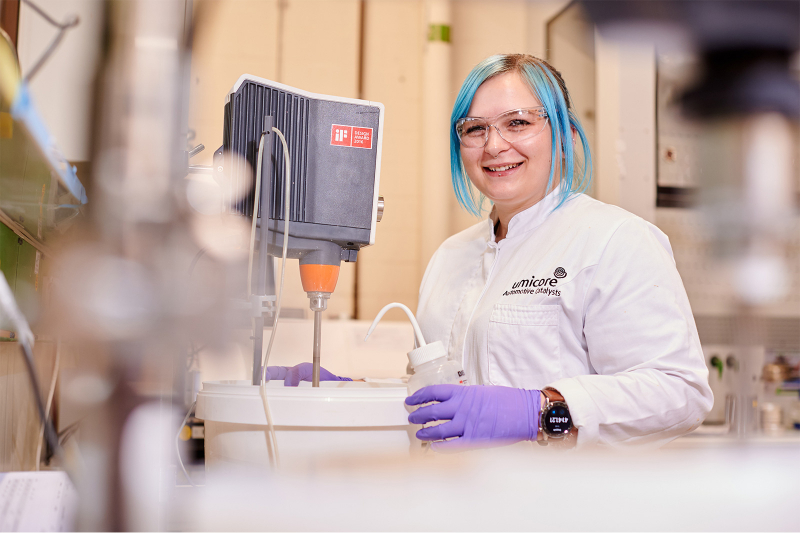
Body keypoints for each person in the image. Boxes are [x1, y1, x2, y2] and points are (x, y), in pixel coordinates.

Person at [270, 54, 713, 450]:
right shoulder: (450, 256)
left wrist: (538, 410)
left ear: (564, 134)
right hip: (458, 498)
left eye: (517, 122)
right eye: (475, 128)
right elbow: (446, 396)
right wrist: (358, 394)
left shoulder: (615, 239)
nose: (494, 145)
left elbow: (680, 393)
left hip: (563, 503)